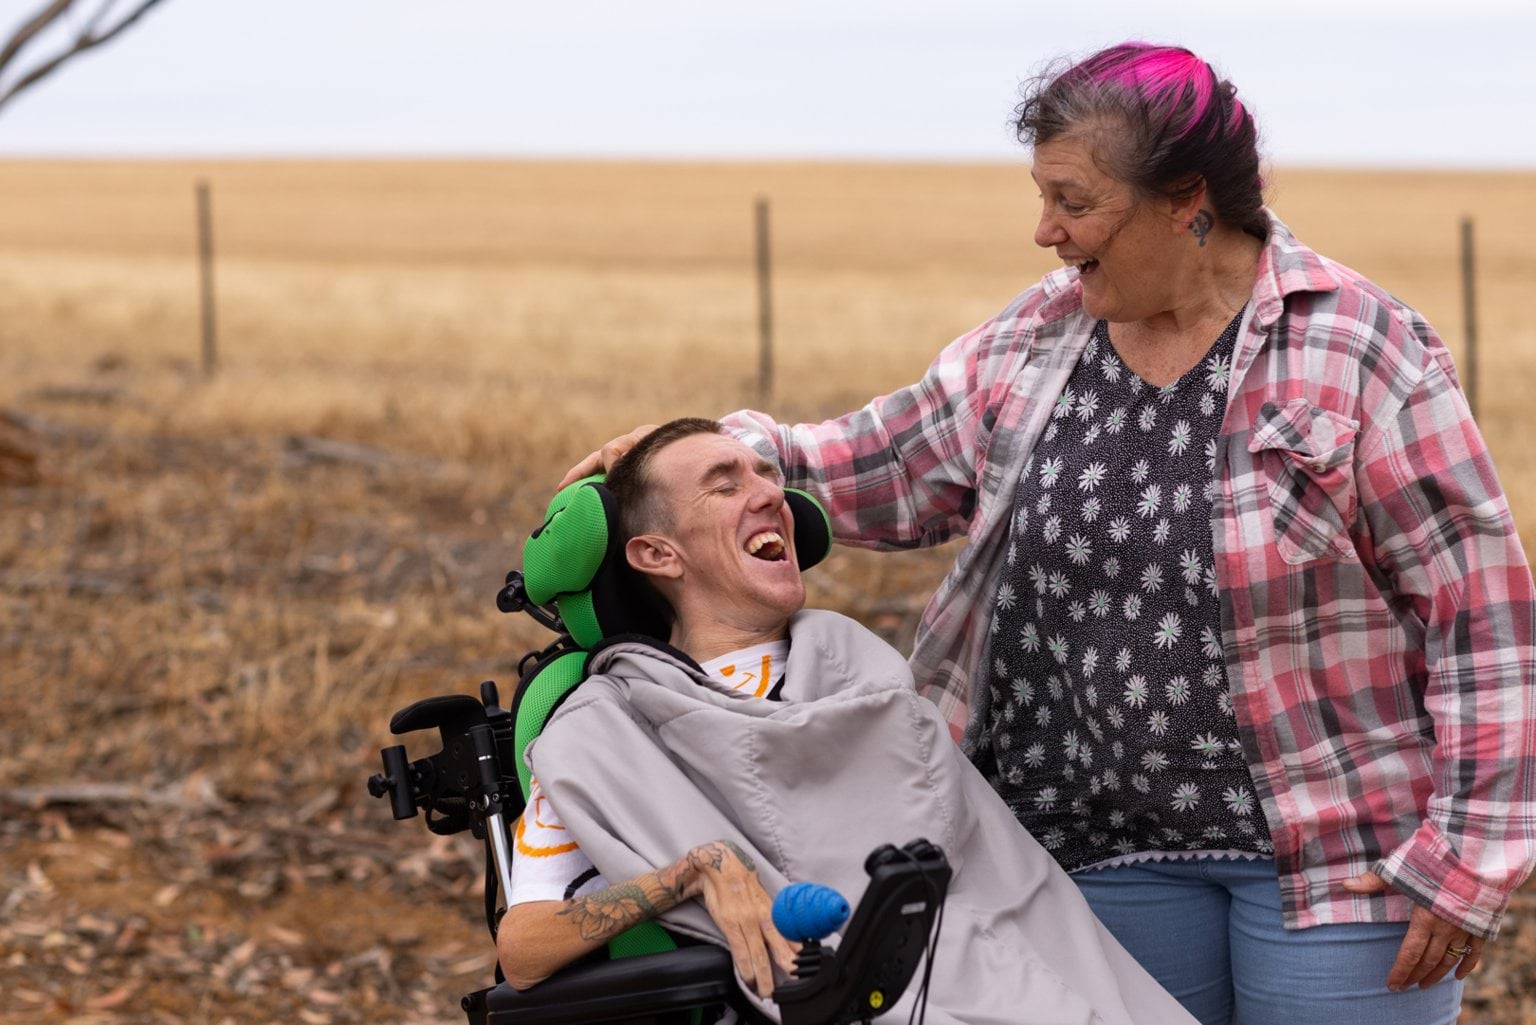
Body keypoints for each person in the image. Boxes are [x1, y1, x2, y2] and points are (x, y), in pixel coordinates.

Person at [560, 42, 1536, 1025]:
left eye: (1073, 201)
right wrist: (710, 453)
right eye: (1042, 196)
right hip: (1076, 854)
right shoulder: (1032, 342)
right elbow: (883, 460)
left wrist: (1470, 855)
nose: (1046, 231)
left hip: (1329, 864)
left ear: (1185, 198)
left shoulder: (1358, 348)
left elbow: (1483, 615)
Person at [503, 417, 1196, 1025]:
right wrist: (689, 871)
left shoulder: (859, 663)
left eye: (766, 474)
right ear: (658, 553)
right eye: (724, 483)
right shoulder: (603, 731)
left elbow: (988, 867)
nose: (770, 493)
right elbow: (524, 950)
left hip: (1022, 966)